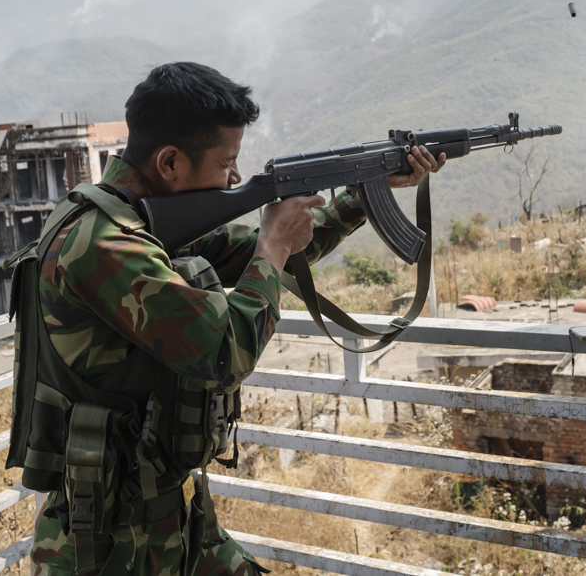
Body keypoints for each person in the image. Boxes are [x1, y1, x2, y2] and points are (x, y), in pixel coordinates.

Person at [24, 62, 445, 575]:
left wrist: (364, 193)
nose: (237, 177)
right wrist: (272, 242)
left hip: (160, 510)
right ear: (171, 161)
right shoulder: (104, 243)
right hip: (106, 542)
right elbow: (224, 351)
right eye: (228, 161)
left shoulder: (140, 220)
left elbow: (271, 258)